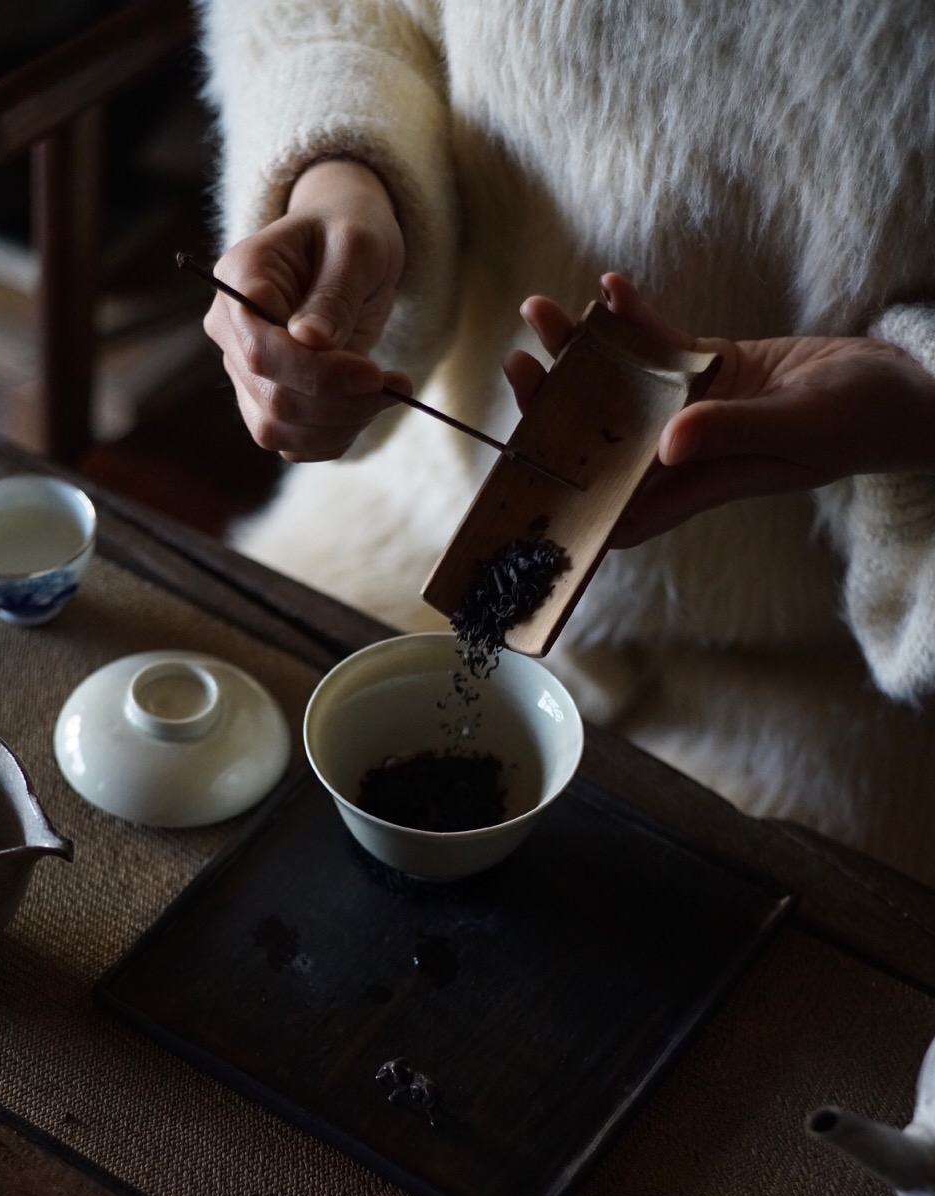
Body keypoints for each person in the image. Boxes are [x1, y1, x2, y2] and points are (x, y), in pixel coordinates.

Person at [197, 0, 935, 881]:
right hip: (419, 520)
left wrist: (915, 407)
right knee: (209, 810)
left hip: (815, 680)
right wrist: (341, 182)